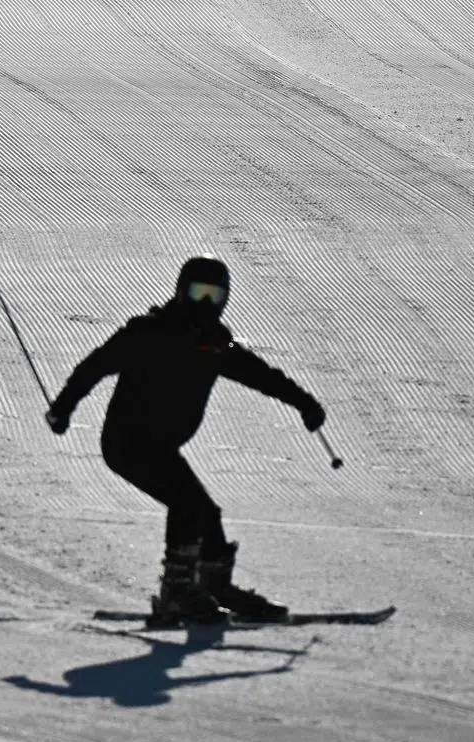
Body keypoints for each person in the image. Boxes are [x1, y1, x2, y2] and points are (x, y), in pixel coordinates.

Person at [45, 255, 326, 627]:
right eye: (197, 293)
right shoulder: (148, 334)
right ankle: (177, 594)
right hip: (127, 444)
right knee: (186, 504)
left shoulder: (213, 345)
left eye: (213, 295)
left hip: (160, 446)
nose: (204, 303)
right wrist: (63, 408)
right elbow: (94, 366)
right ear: (180, 292)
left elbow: (261, 375)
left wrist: (303, 402)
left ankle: (214, 588)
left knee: (205, 513)